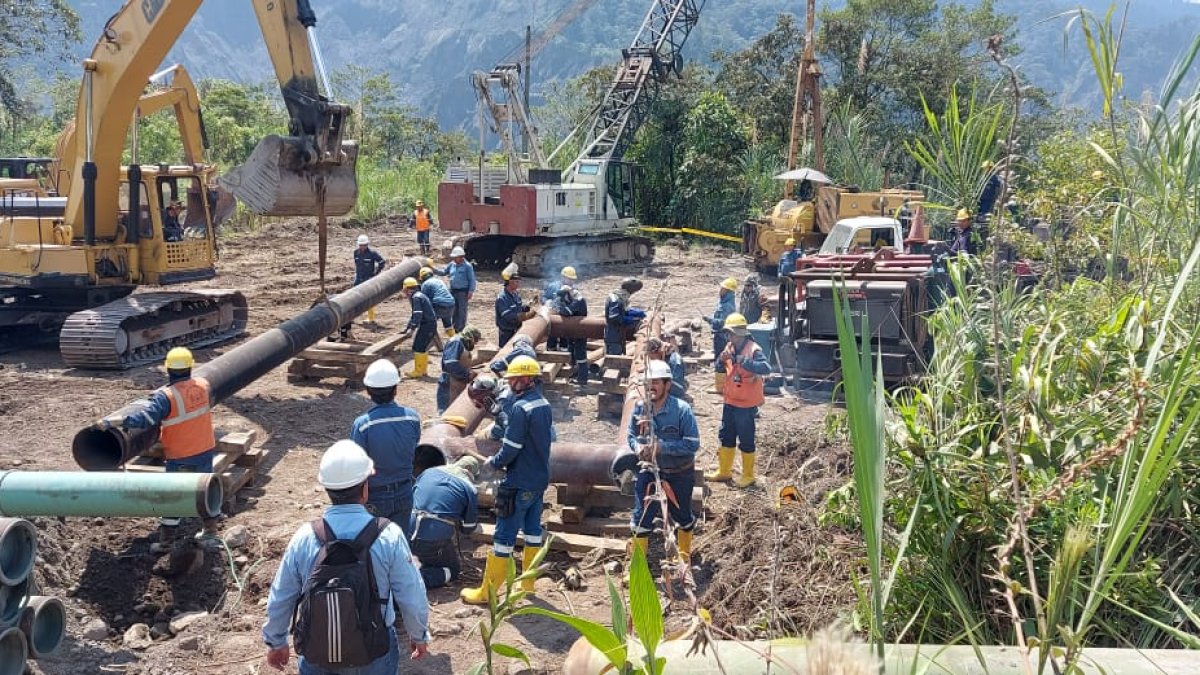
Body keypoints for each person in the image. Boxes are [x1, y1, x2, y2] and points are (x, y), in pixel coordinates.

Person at [262, 440, 429, 673]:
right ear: (365, 487)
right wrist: (418, 634)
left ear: (327, 488)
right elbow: (410, 591)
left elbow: (282, 594)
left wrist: (276, 641)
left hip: (317, 652)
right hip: (372, 653)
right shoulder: (388, 535)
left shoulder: (304, 537)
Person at [100, 347, 220, 552]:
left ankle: (166, 543)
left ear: (168, 369)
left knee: (172, 496)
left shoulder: (166, 396)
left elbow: (146, 419)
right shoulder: (203, 385)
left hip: (182, 455)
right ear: (191, 367)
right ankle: (210, 534)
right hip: (205, 448)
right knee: (203, 489)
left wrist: (116, 421)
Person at [461, 355, 553, 603]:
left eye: (513, 380)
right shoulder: (542, 403)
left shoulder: (520, 408)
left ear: (525, 379)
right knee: (533, 531)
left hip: (519, 480)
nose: (510, 384)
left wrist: (494, 462)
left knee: (504, 536)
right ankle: (528, 586)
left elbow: (511, 447)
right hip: (539, 478)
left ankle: (487, 593)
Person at [627, 360, 701, 565]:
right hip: (650, 471)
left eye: (656, 382)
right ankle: (636, 569)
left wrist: (662, 447)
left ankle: (684, 561)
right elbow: (631, 436)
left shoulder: (682, 410)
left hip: (679, 473)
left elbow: (693, 444)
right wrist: (637, 447)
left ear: (667, 385)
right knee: (640, 520)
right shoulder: (640, 409)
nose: (651, 386)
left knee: (683, 517)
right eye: (648, 382)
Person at [351, 359, 422, 537]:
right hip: (405, 491)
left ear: (368, 391)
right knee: (399, 542)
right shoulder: (412, 418)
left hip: (375, 496)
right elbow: (414, 447)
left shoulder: (363, 425)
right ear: (395, 389)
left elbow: (356, 465)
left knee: (374, 544)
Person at [705, 313, 771, 488]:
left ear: (741, 333)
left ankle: (748, 475)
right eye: (728, 333)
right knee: (726, 435)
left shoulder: (753, 349)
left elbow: (766, 368)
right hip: (730, 401)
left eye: (732, 333)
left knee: (746, 438)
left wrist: (744, 361)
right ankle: (724, 471)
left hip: (746, 405)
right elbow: (719, 366)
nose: (729, 336)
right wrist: (722, 359)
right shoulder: (730, 347)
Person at [409, 455, 481, 589]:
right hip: (432, 541)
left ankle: (414, 569)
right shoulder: (469, 487)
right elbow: (469, 528)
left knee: (430, 556)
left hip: (408, 532)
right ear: (470, 471)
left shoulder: (428, 472)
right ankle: (412, 581)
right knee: (452, 571)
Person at [703, 277, 738, 392]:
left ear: (728, 291)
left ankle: (722, 386)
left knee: (721, 360)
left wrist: (709, 320)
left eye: (722, 289)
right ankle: (723, 384)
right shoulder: (723, 302)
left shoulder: (728, 306)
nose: (720, 291)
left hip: (723, 336)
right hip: (719, 335)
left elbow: (722, 322)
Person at [437, 325, 481, 414]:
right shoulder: (456, 342)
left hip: (456, 380)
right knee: (446, 412)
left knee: (455, 410)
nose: (475, 344)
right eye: (475, 341)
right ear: (470, 337)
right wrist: (467, 373)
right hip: (449, 381)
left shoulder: (461, 342)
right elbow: (450, 363)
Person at [553, 282, 589, 386]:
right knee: (572, 354)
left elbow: (566, 312)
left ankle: (582, 381)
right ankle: (574, 374)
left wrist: (559, 307)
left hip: (580, 332)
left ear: (568, 294)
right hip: (572, 332)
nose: (562, 299)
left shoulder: (579, 300)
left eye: (563, 296)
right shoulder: (571, 298)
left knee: (581, 357)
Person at [400, 277, 438, 378]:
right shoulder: (419, 295)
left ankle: (418, 371)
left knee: (418, 347)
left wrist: (412, 329)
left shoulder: (415, 297)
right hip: (429, 324)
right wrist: (407, 328)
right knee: (422, 347)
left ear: (407, 289)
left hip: (427, 325)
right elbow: (414, 315)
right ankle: (423, 370)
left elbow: (418, 314)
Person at [437, 246, 476, 334]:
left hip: (463, 292)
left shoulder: (467, 266)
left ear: (461, 257)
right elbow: (444, 272)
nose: (454, 259)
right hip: (453, 291)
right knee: (453, 310)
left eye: (456, 257)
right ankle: (455, 327)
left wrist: (470, 291)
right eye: (454, 257)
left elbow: (472, 280)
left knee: (462, 311)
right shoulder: (452, 264)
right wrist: (434, 270)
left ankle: (461, 328)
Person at [604, 278, 643, 355]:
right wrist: (631, 319)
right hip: (613, 335)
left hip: (619, 333)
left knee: (620, 353)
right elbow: (614, 317)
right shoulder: (615, 300)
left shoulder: (620, 297)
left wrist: (633, 312)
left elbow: (622, 310)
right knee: (614, 359)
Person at [353, 234, 387, 324]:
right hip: (358, 278)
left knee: (368, 298)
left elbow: (382, 262)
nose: (362, 247)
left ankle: (371, 318)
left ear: (367, 244)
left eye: (364, 245)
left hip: (368, 279)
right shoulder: (356, 252)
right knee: (353, 297)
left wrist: (376, 273)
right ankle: (351, 317)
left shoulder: (372, 253)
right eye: (360, 245)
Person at [542, 266, 578, 351]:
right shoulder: (553, 286)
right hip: (553, 319)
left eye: (573, 279)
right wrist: (547, 302)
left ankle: (564, 354)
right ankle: (551, 351)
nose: (571, 282)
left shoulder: (574, 289)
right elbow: (544, 297)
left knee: (565, 342)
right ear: (563, 278)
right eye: (569, 279)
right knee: (552, 338)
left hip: (566, 320)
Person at [494, 264, 529, 347]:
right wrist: (520, 316)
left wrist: (524, 308)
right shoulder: (502, 298)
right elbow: (507, 316)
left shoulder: (516, 294)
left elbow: (518, 307)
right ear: (510, 282)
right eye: (516, 282)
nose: (518, 284)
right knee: (505, 350)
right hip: (506, 331)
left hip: (516, 328)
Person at [644, 337, 688, 401]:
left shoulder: (675, 361)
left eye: (652, 357)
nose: (651, 360)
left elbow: (678, 387)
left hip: (675, 393)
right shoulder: (662, 356)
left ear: (659, 351)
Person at [419, 266, 457, 337]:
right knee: (448, 324)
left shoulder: (425, 284)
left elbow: (424, 300)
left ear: (422, 277)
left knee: (428, 322)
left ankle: (427, 341)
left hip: (439, 305)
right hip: (451, 304)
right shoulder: (439, 281)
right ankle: (455, 340)